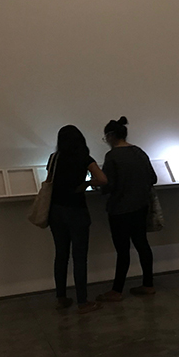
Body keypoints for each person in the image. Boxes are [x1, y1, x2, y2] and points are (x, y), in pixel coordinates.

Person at [48, 125, 107, 314]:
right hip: (76, 211)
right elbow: (103, 179)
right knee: (79, 257)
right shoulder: (84, 158)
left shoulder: (54, 158)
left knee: (61, 255)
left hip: (56, 210)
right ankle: (83, 301)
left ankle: (61, 298)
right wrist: (87, 183)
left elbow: (49, 181)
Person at [98, 116, 158, 302]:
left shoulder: (112, 156)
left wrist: (96, 185)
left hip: (119, 209)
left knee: (123, 250)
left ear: (110, 136)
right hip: (141, 206)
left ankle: (117, 290)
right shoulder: (139, 152)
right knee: (142, 245)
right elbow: (153, 178)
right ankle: (148, 284)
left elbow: (108, 185)